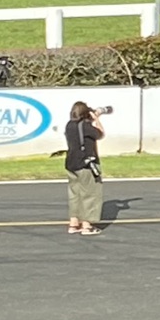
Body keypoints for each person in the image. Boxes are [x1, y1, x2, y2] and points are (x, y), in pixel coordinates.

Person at [63, 101, 106, 235]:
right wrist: (96, 119)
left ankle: (74, 223)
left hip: (71, 163)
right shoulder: (86, 127)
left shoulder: (69, 125)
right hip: (86, 164)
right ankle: (87, 225)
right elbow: (101, 134)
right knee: (90, 194)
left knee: (74, 193)